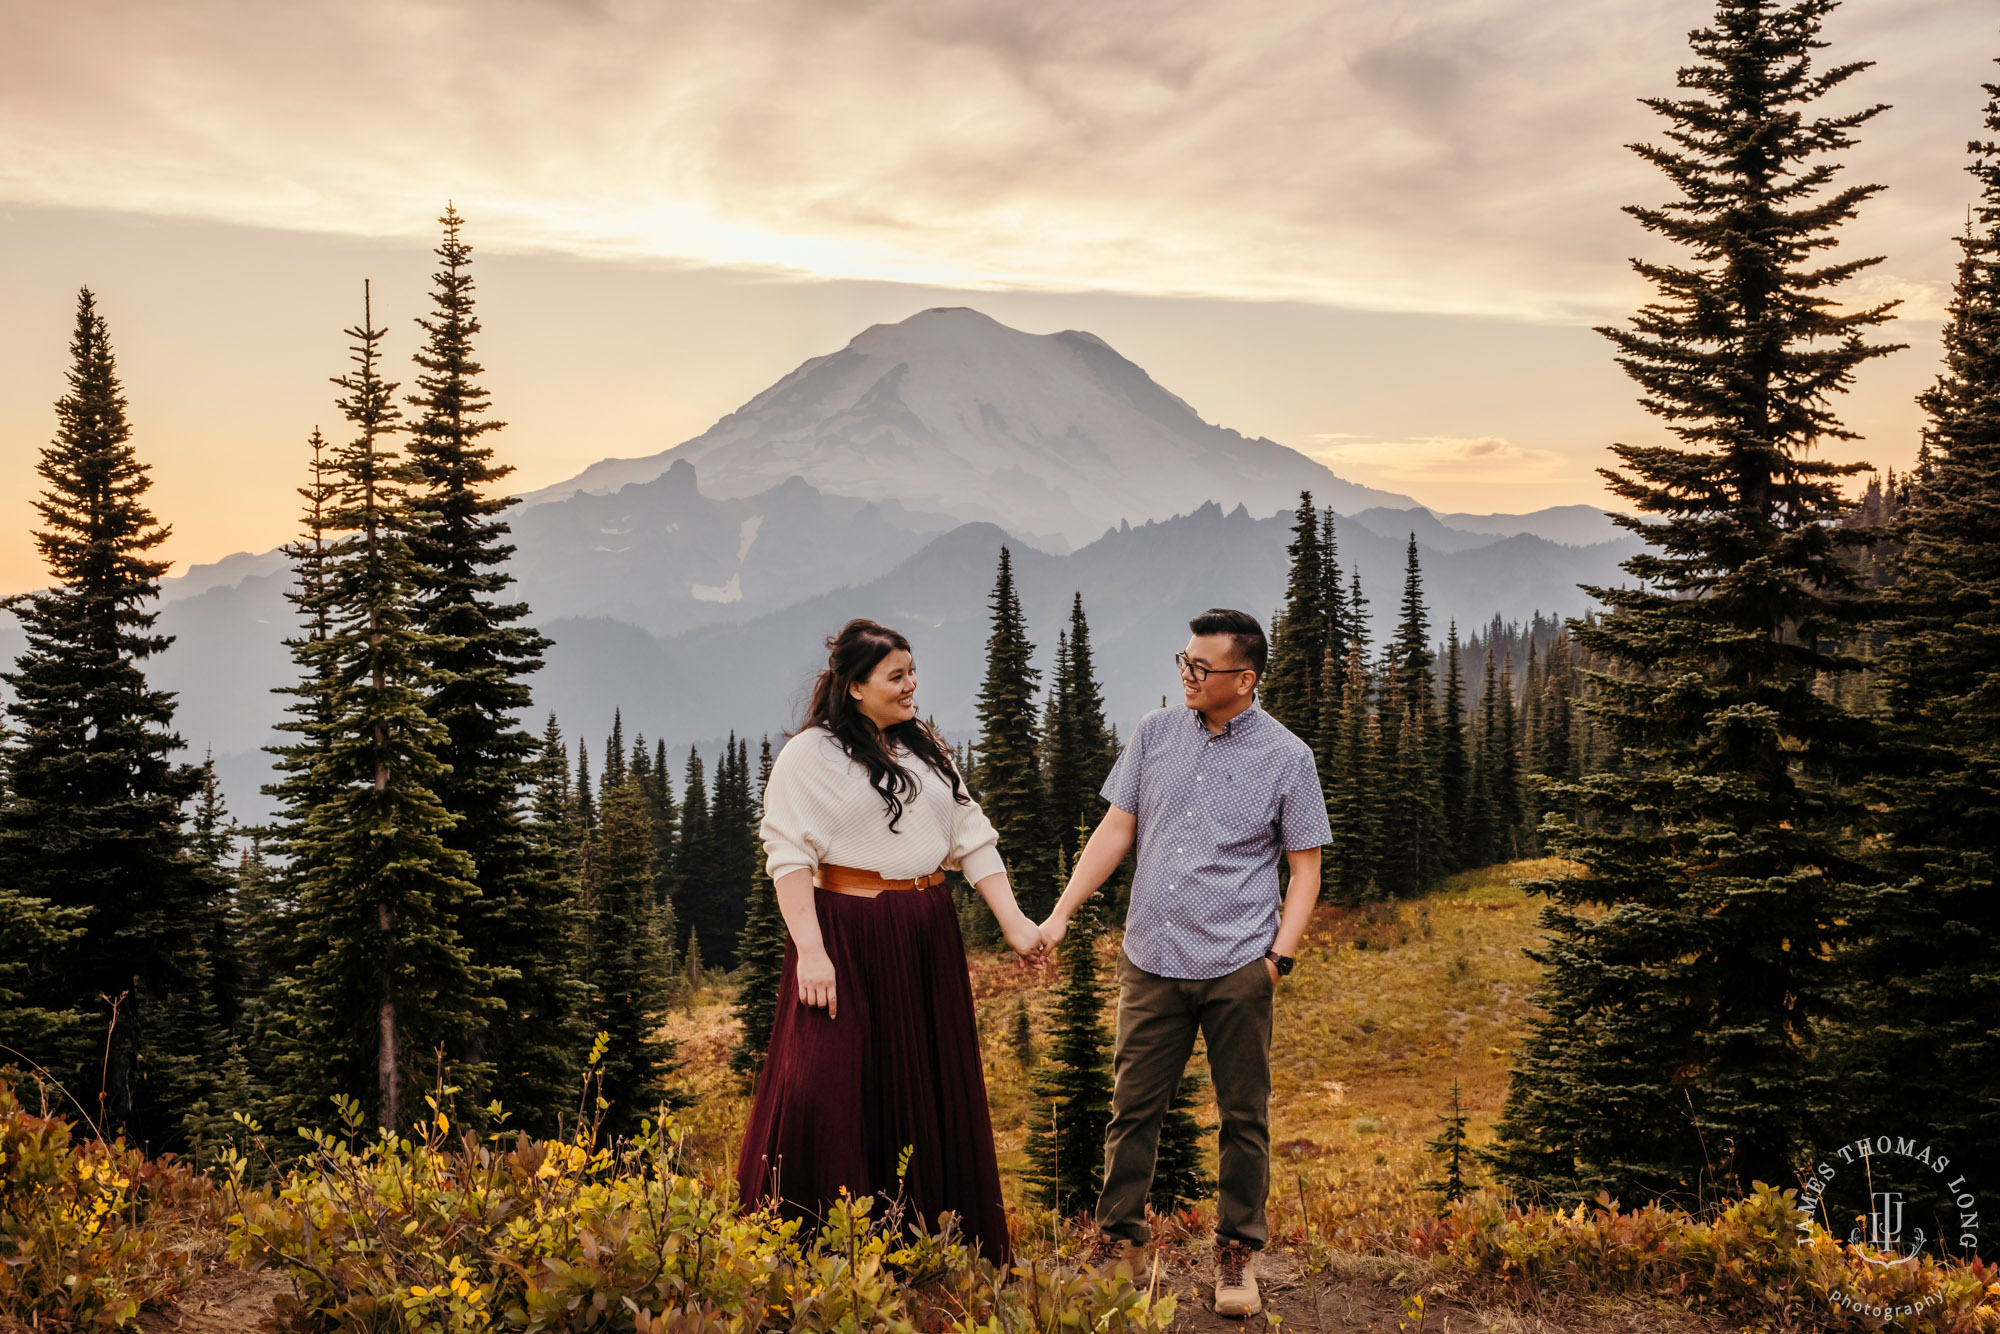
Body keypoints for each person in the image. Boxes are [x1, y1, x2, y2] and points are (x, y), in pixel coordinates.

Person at [1038, 608, 1329, 1317]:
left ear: (1246, 679)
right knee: (1132, 1109)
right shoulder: (1154, 734)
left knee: (1243, 1117)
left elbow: (1306, 868)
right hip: (1151, 959)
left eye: (1203, 668)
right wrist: (1063, 911)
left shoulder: (1287, 756)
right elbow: (1117, 828)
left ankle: (1236, 1254)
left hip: (1237, 965)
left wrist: (1278, 962)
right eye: (1185, 663)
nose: (1188, 677)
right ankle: (1121, 1245)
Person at [736, 618, 1043, 1265]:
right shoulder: (810, 755)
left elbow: (971, 834)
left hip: (927, 931)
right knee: (829, 1084)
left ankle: (938, 1251)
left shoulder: (923, 748)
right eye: (896, 677)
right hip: (846, 935)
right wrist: (812, 952)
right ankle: (814, 1253)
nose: (911, 687)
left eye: (912, 674)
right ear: (854, 687)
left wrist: (1015, 924)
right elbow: (787, 855)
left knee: (931, 1084)